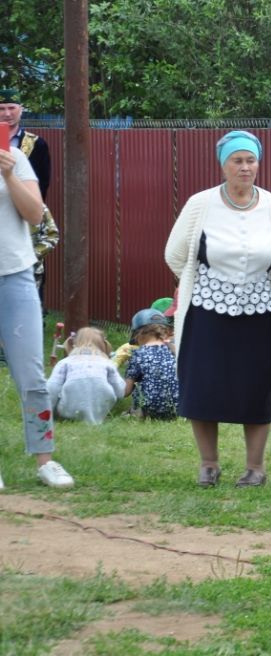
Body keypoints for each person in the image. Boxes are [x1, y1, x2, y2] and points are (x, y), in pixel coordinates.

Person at [166, 130, 271, 488]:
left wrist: (248, 283)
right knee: (203, 385)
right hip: (207, 309)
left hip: (259, 311)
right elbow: (175, 254)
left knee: (254, 387)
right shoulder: (200, 204)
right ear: (223, 165)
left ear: (259, 164)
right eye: (236, 161)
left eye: (250, 160)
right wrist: (208, 282)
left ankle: (255, 468)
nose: (244, 168)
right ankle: (209, 463)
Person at [0, 136, 73, 488]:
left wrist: (10, 176)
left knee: (31, 374)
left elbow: (34, 214)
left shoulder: (13, 157)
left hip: (14, 275)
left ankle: (45, 460)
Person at [0, 88, 57, 307]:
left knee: (32, 265)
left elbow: (42, 184)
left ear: (20, 111)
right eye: (2, 108)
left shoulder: (35, 144)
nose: (7, 113)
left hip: (26, 210)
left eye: (11, 108)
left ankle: (35, 311)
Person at [46, 327, 125, 424]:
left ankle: (69, 417)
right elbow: (120, 391)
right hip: (100, 409)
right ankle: (95, 417)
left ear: (75, 343)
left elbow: (52, 387)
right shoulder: (107, 363)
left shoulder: (65, 362)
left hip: (68, 410)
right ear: (103, 345)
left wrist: (49, 409)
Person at [124, 308, 179, 420]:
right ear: (164, 332)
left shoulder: (138, 354)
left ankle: (135, 412)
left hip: (149, 413)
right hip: (179, 411)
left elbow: (126, 391)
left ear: (138, 334)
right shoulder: (175, 352)